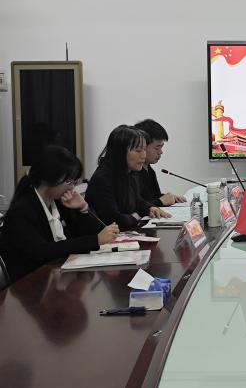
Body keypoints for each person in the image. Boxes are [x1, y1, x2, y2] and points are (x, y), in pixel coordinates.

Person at [0, 146, 119, 283]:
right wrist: (95, 240)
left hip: (58, 277)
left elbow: (85, 235)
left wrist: (83, 208)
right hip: (31, 284)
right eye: (68, 181)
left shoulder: (59, 202)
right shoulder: (21, 212)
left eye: (74, 181)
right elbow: (43, 251)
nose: (72, 187)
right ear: (48, 178)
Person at [85, 125, 171, 229]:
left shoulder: (129, 172)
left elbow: (137, 201)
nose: (143, 155)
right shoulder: (103, 178)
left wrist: (149, 208)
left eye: (144, 150)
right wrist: (134, 217)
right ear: (120, 151)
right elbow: (113, 220)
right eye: (138, 150)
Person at [134, 119, 186, 207]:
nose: (161, 152)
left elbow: (152, 198)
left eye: (161, 147)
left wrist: (170, 198)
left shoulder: (150, 170)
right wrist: (160, 201)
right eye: (157, 148)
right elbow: (136, 206)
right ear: (142, 146)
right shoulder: (132, 173)